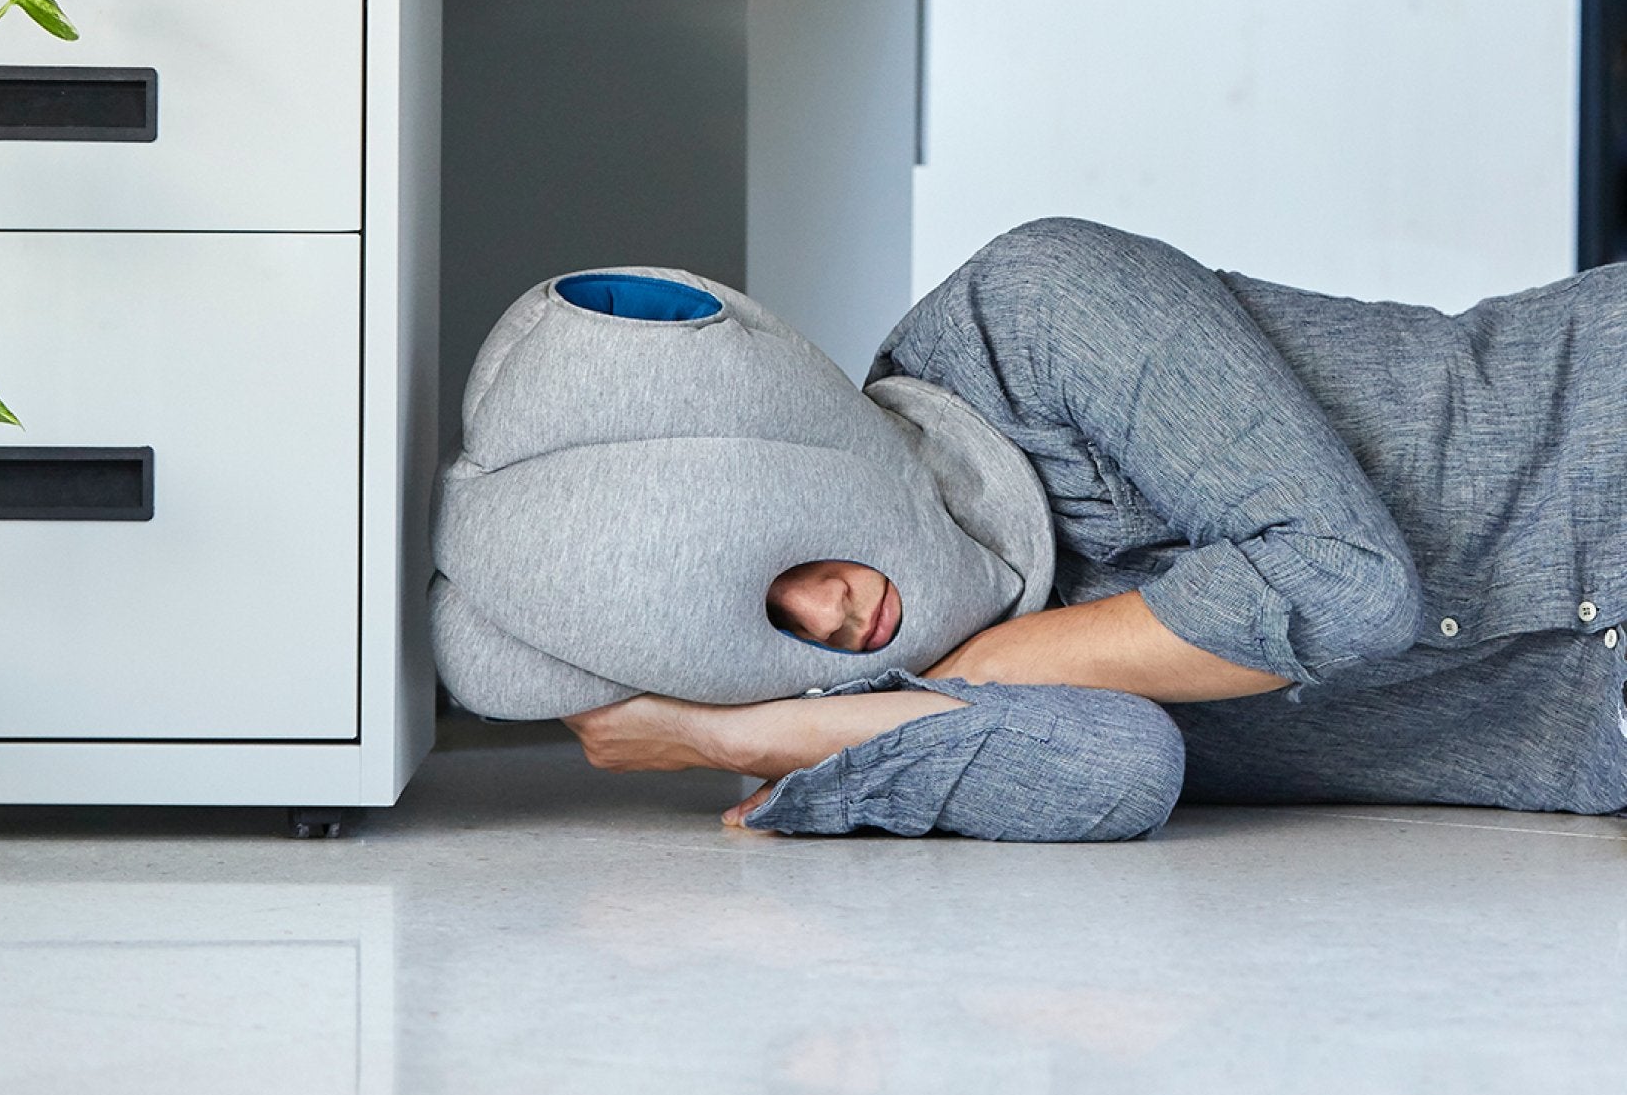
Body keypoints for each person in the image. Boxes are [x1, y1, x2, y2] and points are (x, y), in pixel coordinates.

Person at [560, 216, 1627, 841]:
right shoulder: (907, 694)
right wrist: (729, 737)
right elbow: (1119, 767)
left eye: (787, 553)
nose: (831, 613)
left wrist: (967, 672)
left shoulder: (1028, 310)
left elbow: (1342, 584)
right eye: (765, 624)